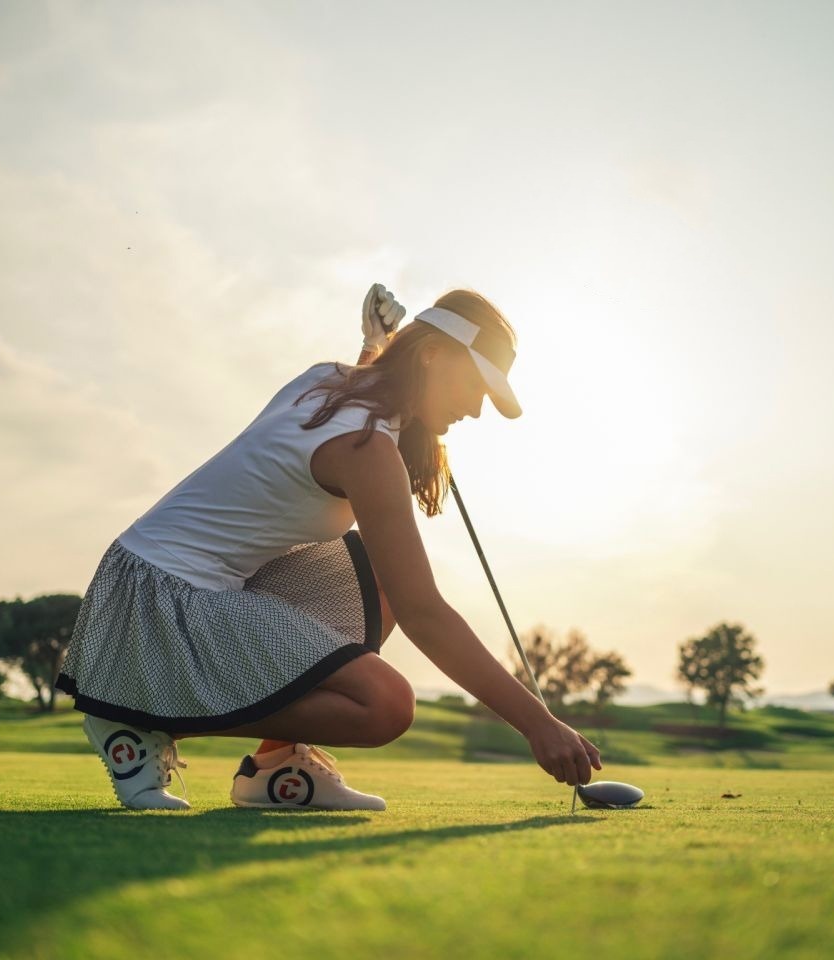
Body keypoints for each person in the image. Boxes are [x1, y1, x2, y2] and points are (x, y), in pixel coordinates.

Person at [55, 286, 602, 811]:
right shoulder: (366, 448)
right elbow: (425, 615)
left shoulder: (332, 383)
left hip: (162, 584)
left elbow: (371, 381)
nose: (477, 410)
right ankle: (141, 715)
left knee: (382, 577)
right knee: (384, 706)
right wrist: (538, 724)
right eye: (476, 387)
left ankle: (275, 769)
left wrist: (376, 345)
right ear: (433, 354)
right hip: (158, 602)